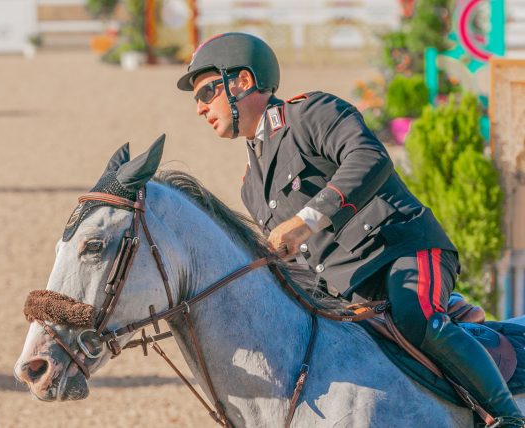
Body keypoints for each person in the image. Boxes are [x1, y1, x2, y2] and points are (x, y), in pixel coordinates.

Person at [176, 32, 524, 426]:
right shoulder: (250, 186)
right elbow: (304, 267)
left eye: (207, 93)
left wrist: (306, 221)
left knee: (418, 317)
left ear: (242, 81)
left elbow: (369, 157)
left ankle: (509, 418)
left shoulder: (311, 113)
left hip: (403, 251)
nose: (201, 108)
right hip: (350, 292)